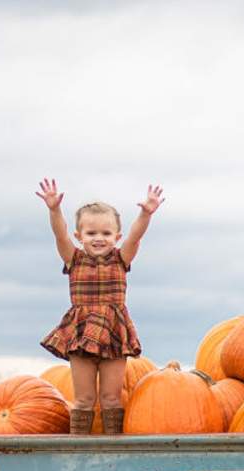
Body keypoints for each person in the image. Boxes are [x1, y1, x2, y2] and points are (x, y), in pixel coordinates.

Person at [36, 178, 163, 435]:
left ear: (116, 236)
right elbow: (59, 234)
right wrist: (54, 209)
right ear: (79, 236)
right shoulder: (74, 258)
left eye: (106, 234)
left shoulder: (121, 258)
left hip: (113, 332)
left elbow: (136, 237)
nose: (98, 239)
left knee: (111, 398)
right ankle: (77, 447)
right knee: (84, 399)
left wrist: (145, 213)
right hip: (81, 332)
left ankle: (112, 445)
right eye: (91, 233)